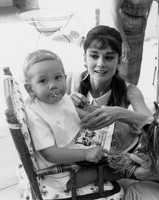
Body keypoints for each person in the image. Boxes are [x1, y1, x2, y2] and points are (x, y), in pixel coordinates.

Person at [67, 25, 159, 200]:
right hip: (87, 157)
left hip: (123, 167)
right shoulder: (72, 81)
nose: (101, 64)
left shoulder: (130, 92)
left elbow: (154, 125)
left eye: (109, 57)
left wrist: (119, 113)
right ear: (84, 57)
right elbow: (38, 93)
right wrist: (65, 102)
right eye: (94, 56)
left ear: (119, 61)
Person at [23, 49, 108, 192]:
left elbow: (72, 112)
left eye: (57, 77)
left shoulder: (58, 97)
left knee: (117, 142)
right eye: (43, 81)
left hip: (76, 149)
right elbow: (50, 154)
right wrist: (86, 154)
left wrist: (96, 119)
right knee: (115, 169)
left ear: (65, 77)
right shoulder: (35, 115)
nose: (53, 85)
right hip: (64, 174)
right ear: (29, 88)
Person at [108, 0, 154, 85]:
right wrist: (123, 42)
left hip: (140, 29)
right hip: (124, 31)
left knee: (135, 68)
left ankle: (130, 95)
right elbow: (113, 9)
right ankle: (119, 96)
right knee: (123, 65)